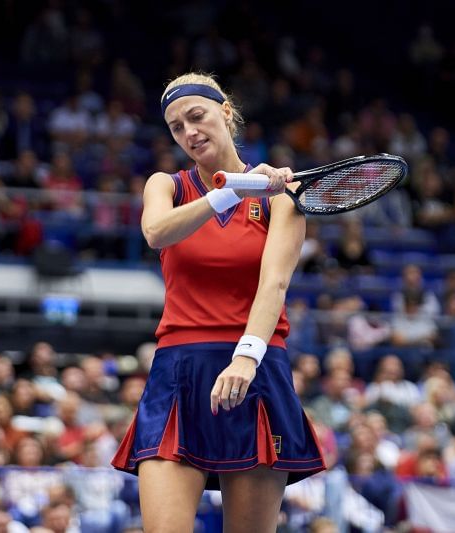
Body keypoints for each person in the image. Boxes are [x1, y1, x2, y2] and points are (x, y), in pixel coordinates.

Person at [111, 72, 325, 532]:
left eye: (196, 116)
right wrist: (232, 191)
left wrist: (246, 358)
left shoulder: (282, 198)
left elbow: (275, 286)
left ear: (225, 112)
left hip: (255, 371)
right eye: (176, 126)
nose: (189, 132)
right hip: (178, 375)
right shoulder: (164, 185)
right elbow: (156, 232)